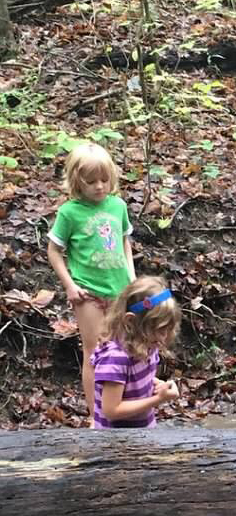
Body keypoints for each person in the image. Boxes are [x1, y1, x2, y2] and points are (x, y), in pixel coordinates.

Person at [47, 140, 135, 421]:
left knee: (122, 349)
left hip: (120, 290)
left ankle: (120, 407)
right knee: (95, 352)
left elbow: (125, 242)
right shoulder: (69, 212)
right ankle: (96, 416)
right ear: (77, 180)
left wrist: (132, 278)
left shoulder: (118, 206)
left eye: (104, 180)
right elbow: (54, 251)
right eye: (91, 181)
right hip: (88, 293)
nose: (99, 186)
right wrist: (70, 285)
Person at [91, 276, 181, 429]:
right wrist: (158, 399)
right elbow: (111, 410)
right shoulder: (115, 358)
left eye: (168, 329)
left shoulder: (148, 344)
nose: (164, 337)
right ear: (131, 322)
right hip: (116, 440)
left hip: (142, 432)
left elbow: (137, 380)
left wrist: (158, 385)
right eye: (159, 330)